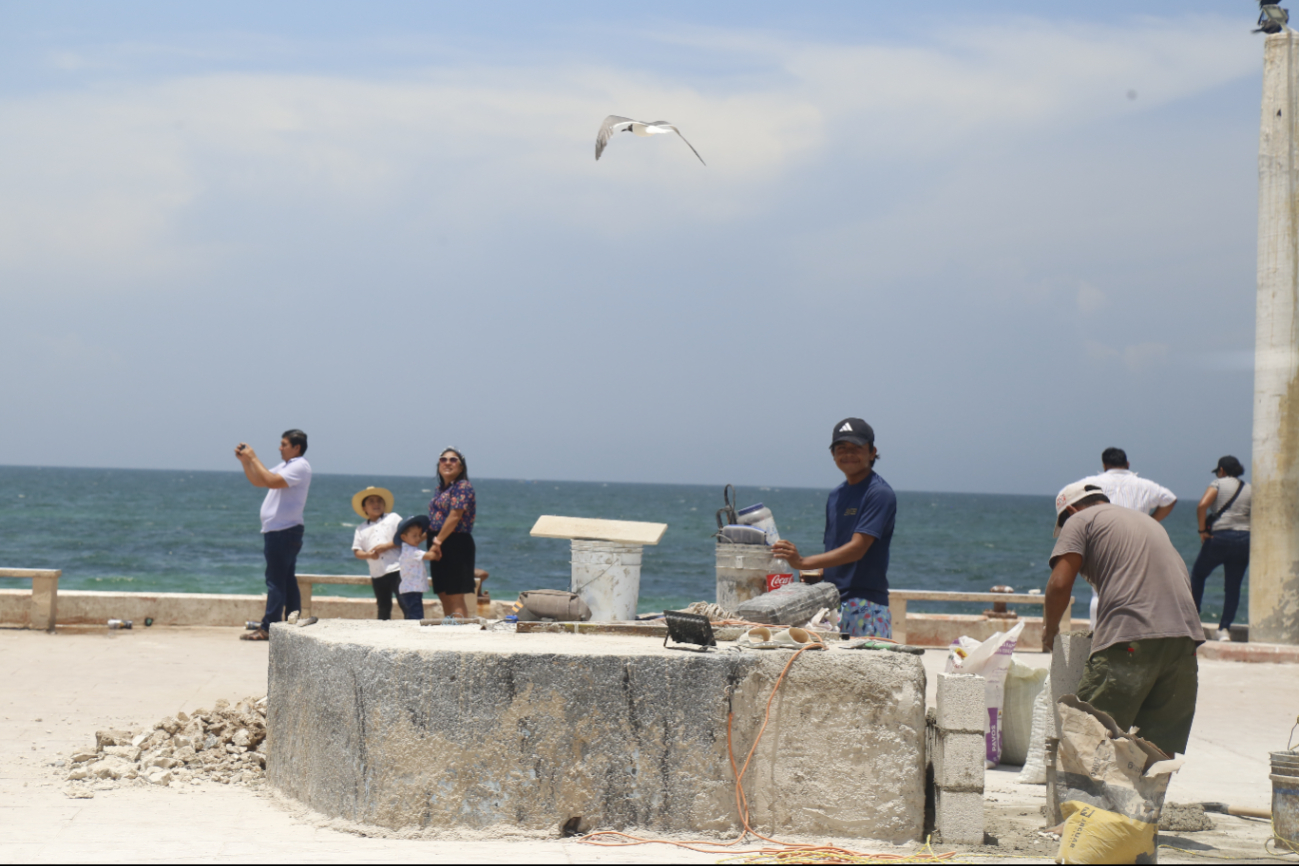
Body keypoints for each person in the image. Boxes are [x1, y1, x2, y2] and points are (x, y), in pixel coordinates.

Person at [1042, 480, 1205, 758]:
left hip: (1130, 639)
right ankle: (1146, 802)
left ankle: (1085, 802)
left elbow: (1059, 585)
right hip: (1185, 640)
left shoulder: (1079, 520)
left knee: (1088, 740)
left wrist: (1050, 630)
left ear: (1070, 509)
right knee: (1154, 751)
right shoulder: (1148, 522)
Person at [772, 418, 897, 638]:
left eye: (856, 448)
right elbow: (835, 546)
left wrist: (802, 562)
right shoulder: (836, 495)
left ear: (872, 452)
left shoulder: (878, 493)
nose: (848, 454)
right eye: (841, 448)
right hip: (831, 604)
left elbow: (857, 549)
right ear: (832, 454)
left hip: (865, 605)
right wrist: (813, 574)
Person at [1076, 447, 1178, 628]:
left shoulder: (1091, 482)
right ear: (1128, 464)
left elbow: (1065, 496)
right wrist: (1151, 521)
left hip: (1103, 543)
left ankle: (1097, 636)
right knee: (1137, 591)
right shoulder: (1144, 485)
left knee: (1099, 592)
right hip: (1138, 543)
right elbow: (1169, 498)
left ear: (1104, 464)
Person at [234, 429, 312, 642]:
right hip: (279, 530)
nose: (280, 448)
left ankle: (268, 627)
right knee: (286, 579)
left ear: (296, 447)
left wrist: (253, 457)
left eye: (284, 444)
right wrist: (245, 462)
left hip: (284, 531)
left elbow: (270, 480)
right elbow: (259, 480)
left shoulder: (300, 466)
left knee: (276, 581)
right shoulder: (287, 466)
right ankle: (292, 622)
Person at [1191, 456, 1252, 642]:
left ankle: (1192, 621)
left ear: (1222, 470)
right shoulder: (1250, 488)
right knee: (1233, 587)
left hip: (1220, 537)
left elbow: (1202, 505)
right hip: (1245, 539)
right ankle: (1224, 629)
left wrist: (1202, 530)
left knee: (1199, 575)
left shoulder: (1218, 483)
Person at [428, 447, 477, 620]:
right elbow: (436, 518)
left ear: (461, 467)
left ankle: (460, 633)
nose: (448, 462)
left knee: (455, 593)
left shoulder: (462, 486)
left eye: (453, 459)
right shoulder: (440, 489)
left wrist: (437, 542)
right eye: (443, 459)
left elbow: (455, 515)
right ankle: (449, 627)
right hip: (438, 541)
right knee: (443, 592)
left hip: (455, 541)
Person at [350, 486, 402, 620]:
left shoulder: (393, 518)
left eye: (379, 501)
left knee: (405, 602)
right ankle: (383, 636)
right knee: (383, 607)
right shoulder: (361, 529)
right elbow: (357, 551)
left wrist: (387, 546)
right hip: (377, 573)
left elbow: (406, 537)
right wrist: (369, 555)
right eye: (371, 501)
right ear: (364, 508)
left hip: (398, 569)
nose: (376, 504)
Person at [395, 515, 436, 621]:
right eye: (414, 536)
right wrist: (437, 545)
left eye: (420, 535)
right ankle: (414, 633)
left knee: (412, 613)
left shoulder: (409, 549)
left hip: (411, 589)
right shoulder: (411, 551)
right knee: (416, 615)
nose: (418, 538)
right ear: (403, 537)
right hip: (411, 590)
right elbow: (431, 556)